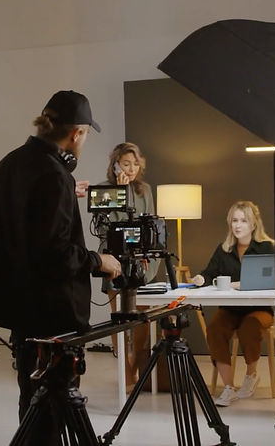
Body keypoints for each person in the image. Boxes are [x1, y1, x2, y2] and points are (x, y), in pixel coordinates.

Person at [0, 90, 122, 441]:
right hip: (53, 313)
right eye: (85, 136)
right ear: (77, 133)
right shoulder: (56, 175)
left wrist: (65, 194)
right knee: (54, 403)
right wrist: (100, 261)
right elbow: (56, 253)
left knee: (32, 398)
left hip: (20, 308)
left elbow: (16, 227)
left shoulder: (8, 164)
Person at [191, 200, 274, 407]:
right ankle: (229, 387)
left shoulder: (267, 247)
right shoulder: (224, 249)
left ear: (253, 224)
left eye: (243, 221)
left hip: (259, 310)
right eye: (234, 220)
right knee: (215, 330)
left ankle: (251, 375)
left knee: (249, 327)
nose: (238, 225)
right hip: (229, 309)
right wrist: (200, 279)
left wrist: (239, 284)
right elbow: (209, 273)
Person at [98, 142, 159, 386]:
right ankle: (125, 368)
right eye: (126, 164)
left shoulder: (145, 190)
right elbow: (107, 230)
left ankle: (134, 362)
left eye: (135, 163)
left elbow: (149, 226)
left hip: (141, 259)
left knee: (142, 316)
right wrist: (120, 193)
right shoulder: (104, 190)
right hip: (113, 259)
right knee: (119, 318)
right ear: (115, 165)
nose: (132, 169)